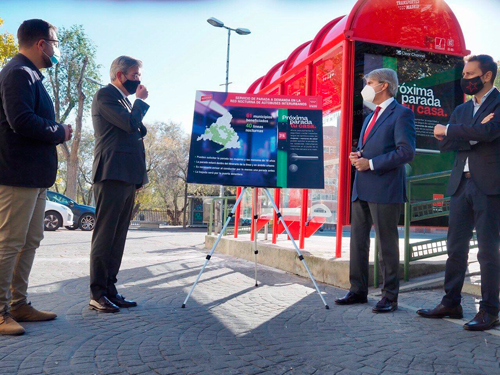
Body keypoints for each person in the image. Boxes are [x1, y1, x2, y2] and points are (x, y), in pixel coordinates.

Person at [417, 55, 500, 331]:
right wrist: (471, 132)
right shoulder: (463, 110)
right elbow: (444, 144)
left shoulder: (499, 104)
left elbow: (489, 132)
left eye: (470, 74)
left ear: (486, 76)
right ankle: (451, 302)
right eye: (464, 74)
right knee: (455, 249)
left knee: (488, 251)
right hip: (460, 185)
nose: (465, 79)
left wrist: (454, 130)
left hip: (488, 186)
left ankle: (490, 310)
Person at [0, 19, 72, 335]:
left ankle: (18, 304)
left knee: (29, 241)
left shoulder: (31, 75)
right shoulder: (17, 73)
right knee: (9, 243)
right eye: (54, 42)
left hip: (33, 177)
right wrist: (60, 131)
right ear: (42, 43)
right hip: (16, 174)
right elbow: (21, 121)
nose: (56, 49)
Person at [335, 68, 416, 313]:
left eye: (369, 82)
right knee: (358, 243)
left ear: (384, 86)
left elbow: (406, 152)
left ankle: (389, 297)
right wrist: (360, 155)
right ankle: (357, 291)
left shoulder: (402, 114)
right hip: (362, 187)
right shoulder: (371, 116)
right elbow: (369, 147)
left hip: (385, 188)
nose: (366, 87)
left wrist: (370, 163)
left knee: (386, 245)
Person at [89, 56, 149, 313]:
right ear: (120, 75)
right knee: (105, 236)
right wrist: (141, 102)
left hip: (127, 177)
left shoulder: (123, 100)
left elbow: (137, 130)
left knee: (118, 237)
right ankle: (98, 294)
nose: (139, 79)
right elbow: (129, 124)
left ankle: (111, 289)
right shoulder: (105, 95)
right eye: (135, 74)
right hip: (111, 174)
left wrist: (139, 178)